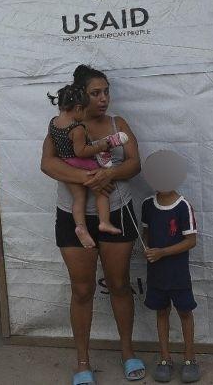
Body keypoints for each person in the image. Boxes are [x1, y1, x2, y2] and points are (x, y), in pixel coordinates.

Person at [41, 64, 145, 384]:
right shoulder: (65, 126)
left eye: (106, 92)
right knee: (82, 289)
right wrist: (90, 178)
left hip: (117, 212)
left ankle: (127, 353)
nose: (103, 99)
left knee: (118, 284)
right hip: (72, 218)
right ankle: (82, 362)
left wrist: (109, 174)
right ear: (80, 96)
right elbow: (47, 164)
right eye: (95, 93)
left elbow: (134, 164)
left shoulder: (118, 123)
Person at [47, 84, 129, 248]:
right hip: (81, 163)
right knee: (102, 192)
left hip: (66, 165)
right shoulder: (77, 128)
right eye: (84, 110)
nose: (85, 115)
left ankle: (81, 227)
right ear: (78, 108)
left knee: (78, 198)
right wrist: (100, 146)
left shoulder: (54, 123)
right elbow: (81, 151)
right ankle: (104, 222)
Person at [141, 183, 200, 383]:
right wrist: (147, 248)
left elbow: (191, 241)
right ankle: (165, 359)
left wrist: (162, 252)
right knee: (161, 312)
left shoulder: (184, 206)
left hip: (178, 275)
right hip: (156, 275)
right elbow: (146, 233)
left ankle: (190, 359)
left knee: (185, 312)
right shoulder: (147, 205)